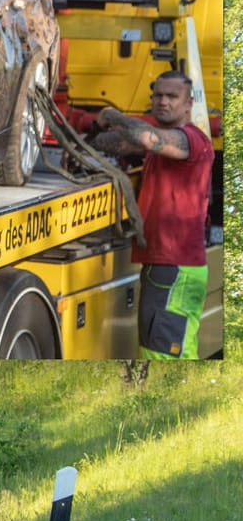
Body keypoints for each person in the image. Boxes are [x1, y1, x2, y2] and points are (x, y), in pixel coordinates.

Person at [90, 71, 213, 359]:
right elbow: (110, 143)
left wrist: (110, 114)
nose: (163, 102)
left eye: (172, 96)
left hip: (177, 268)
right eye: (158, 95)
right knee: (157, 351)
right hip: (166, 267)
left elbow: (144, 137)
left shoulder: (190, 141)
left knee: (166, 356)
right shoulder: (164, 147)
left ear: (188, 104)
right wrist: (90, 131)